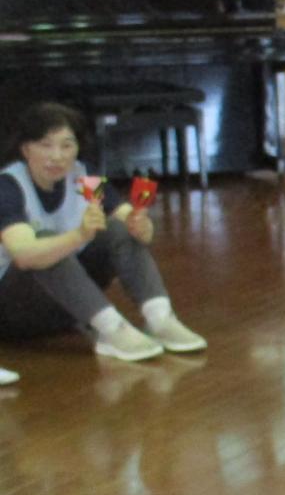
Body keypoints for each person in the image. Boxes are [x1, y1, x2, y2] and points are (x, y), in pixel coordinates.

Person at [0, 102, 206, 362]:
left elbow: (132, 224)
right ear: (26, 149)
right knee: (46, 246)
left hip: (65, 304)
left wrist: (141, 226)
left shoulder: (85, 177)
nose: (58, 156)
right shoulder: (8, 186)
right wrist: (79, 236)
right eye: (46, 145)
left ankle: (161, 318)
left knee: (119, 229)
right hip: (11, 310)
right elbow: (24, 256)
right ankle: (111, 329)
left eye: (67, 145)